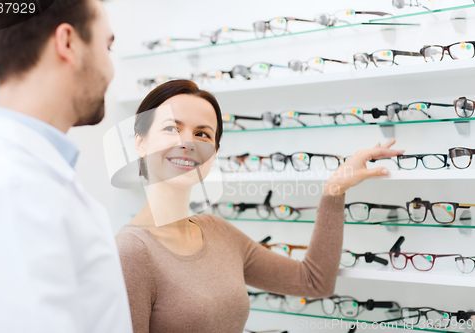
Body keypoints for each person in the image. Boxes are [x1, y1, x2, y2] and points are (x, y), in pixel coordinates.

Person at [115, 79, 404, 333]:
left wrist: (335, 189)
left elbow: (314, 282)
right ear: (140, 143)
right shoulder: (131, 252)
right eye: (171, 128)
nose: (187, 143)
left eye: (202, 134)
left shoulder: (217, 232)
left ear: (214, 153)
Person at [0, 1, 132, 332]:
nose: (110, 68)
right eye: (108, 45)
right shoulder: (15, 188)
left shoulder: (18, 174)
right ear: (68, 43)